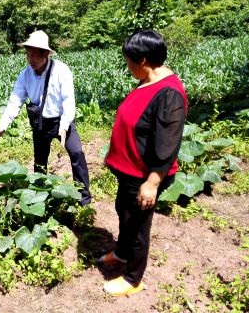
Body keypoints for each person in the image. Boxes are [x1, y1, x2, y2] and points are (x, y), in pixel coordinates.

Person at [101, 30, 188, 296]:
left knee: (138, 225)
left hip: (144, 175)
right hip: (128, 170)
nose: (127, 67)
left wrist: (152, 182)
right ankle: (122, 253)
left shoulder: (169, 94)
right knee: (124, 212)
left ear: (143, 60)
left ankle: (132, 278)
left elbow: (167, 143)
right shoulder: (148, 80)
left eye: (129, 61)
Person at [0, 30, 91, 206]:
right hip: (41, 123)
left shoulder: (61, 70)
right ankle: (39, 199)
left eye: (34, 54)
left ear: (45, 54)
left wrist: (65, 125)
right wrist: (3, 126)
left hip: (62, 121)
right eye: (27, 54)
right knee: (39, 162)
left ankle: (83, 199)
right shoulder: (25, 75)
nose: (30, 59)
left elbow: (69, 101)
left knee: (76, 153)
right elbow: (15, 101)